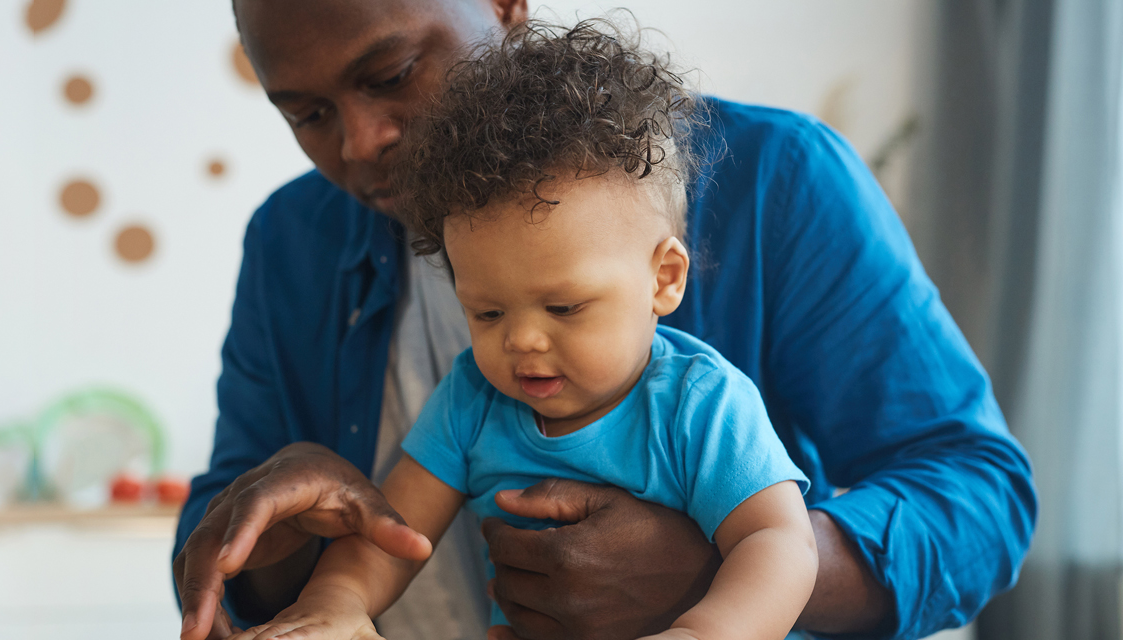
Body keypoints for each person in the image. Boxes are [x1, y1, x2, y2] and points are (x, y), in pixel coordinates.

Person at [172, 1, 1037, 640]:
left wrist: (724, 574)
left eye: (392, 75)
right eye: (306, 114)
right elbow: (223, 552)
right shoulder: (290, 243)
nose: (358, 143)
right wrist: (288, 557)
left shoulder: (780, 185)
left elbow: (980, 493)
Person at [225, 20, 819, 640]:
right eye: (486, 313)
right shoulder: (473, 400)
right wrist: (339, 599)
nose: (522, 341)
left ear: (664, 279)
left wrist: (703, 632)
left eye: (563, 309)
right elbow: (391, 530)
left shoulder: (701, 405)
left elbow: (778, 541)